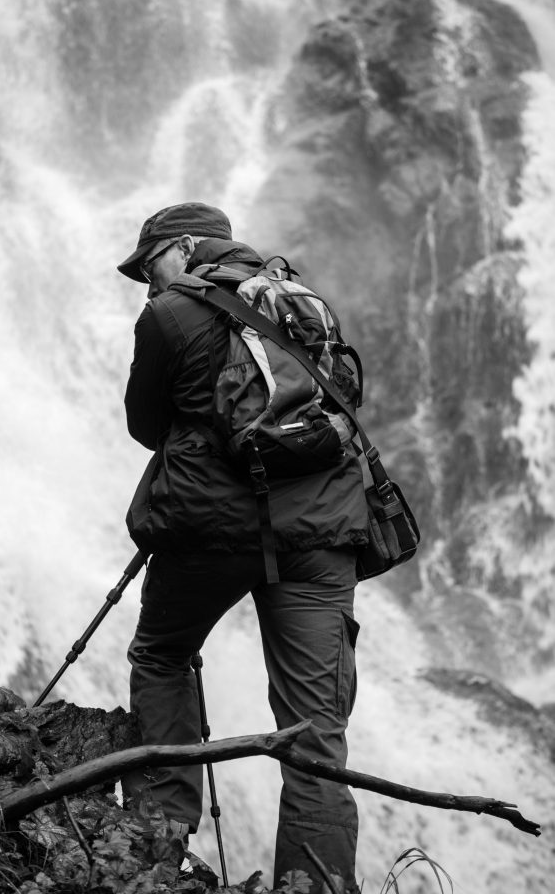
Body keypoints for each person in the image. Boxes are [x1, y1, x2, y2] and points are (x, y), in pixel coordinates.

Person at [117, 202, 368, 893]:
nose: (146, 282)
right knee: (315, 734)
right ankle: (313, 885)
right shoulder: (302, 300)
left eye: (150, 265)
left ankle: (156, 845)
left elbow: (147, 425)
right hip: (322, 535)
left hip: (212, 532)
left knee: (163, 653)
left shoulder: (169, 316)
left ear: (188, 246)